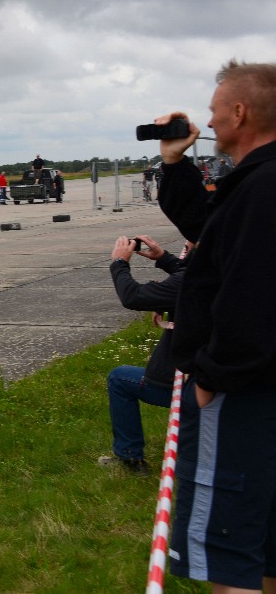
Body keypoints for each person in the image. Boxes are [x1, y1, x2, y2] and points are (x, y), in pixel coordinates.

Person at [154, 60, 276, 593]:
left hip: (244, 389)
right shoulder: (257, 181)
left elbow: (252, 295)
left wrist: (210, 376)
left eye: (214, 110)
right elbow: (210, 226)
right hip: (260, 383)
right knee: (265, 543)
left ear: (240, 112)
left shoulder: (264, 186)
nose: (209, 120)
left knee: (226, 551)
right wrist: (175, 164)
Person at [98, 235, 189, 474]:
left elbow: (133, 296)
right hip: (223, 382)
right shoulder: (227, 267)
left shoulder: (196, 277)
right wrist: (164, 259)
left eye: (189, 242)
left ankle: (130, 458)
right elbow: (191, 278)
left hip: (189, 385)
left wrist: (119, 263)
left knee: (119, 379)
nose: (186, 246)